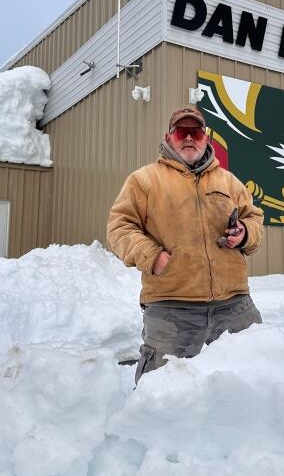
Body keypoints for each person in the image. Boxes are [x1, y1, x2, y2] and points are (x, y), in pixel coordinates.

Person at [107, 105, 264, 383]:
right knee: (160, 390)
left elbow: (254, 217)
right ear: (169, 138)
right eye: (181, 131)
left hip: (235, 305)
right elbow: (120, 226)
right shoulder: (144, 180)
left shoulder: (228, 181)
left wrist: (245, 234)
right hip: (171, 307)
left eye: (195, 131)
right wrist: (153, 257)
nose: (189, 137)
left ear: (206, 138)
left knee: (254, 379)